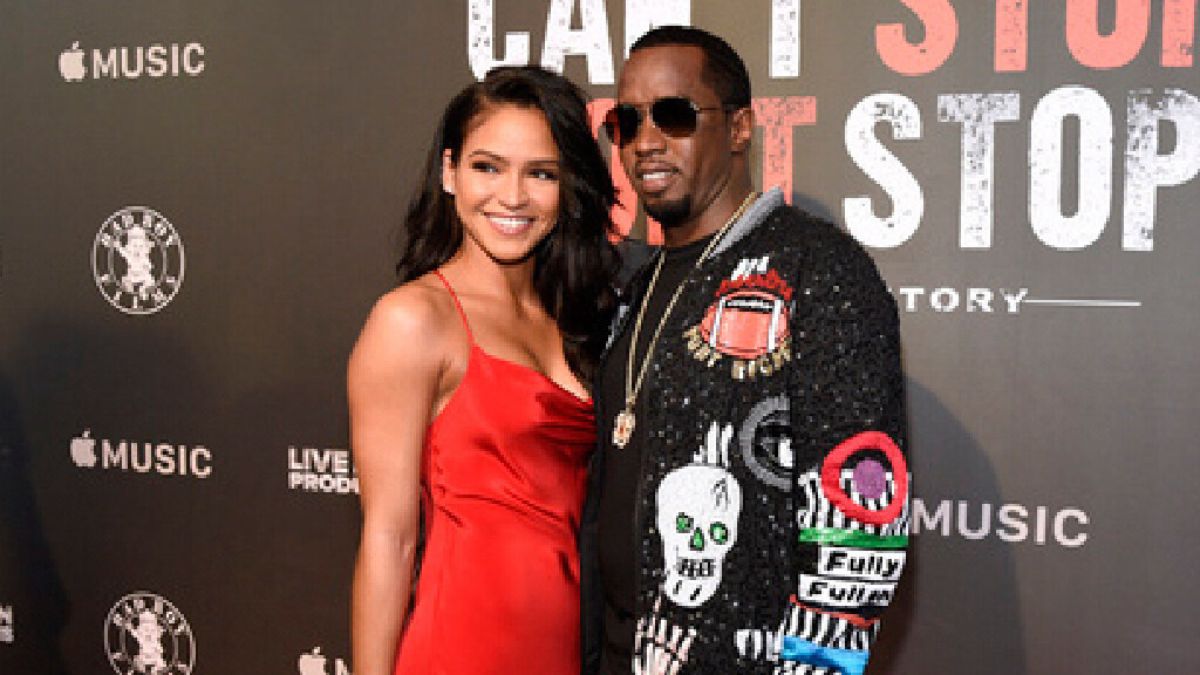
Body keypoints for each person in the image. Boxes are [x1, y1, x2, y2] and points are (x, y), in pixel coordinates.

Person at [581, 26, 909, 675]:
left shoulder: (818, 269)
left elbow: (861, 524)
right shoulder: (632, 285)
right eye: (627, 120)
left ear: (738, 128)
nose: (646, 141)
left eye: (674, 115)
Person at [348, 66, 619, 675]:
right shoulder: (414, 319)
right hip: (464, 646)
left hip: (570, 646)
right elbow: (389, 540)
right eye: (487, 167)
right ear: (449, 173)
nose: (513, 197)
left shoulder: (578, 313)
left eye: (541, 173)